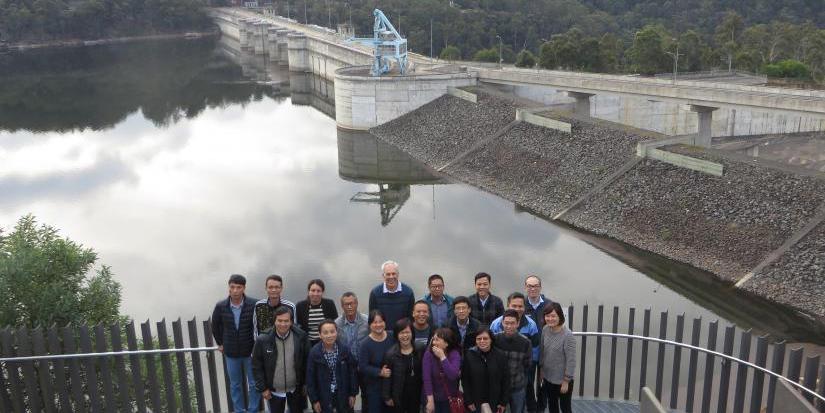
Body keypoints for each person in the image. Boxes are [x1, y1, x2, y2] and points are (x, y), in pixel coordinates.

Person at [211, 274, 261, 413]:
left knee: (254, 384)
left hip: (251, 352)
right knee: (235, 385)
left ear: (244, 288)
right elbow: (215, 326)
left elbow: (260, 326)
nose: (235, 290)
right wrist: (220, 343)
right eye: (232, 287)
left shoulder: (254, 304)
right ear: (229, 287)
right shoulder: (221, 306)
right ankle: (239, 410)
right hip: (231, 353)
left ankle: (253, 410)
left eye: (238, 287)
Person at [251, 306, 311, 413]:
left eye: (286, 321)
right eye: (280, 320)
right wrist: (263, 388)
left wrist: (306, 383)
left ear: (291, 322)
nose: (283, 324)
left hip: (295, 389)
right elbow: (256, 366)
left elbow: (307, 362)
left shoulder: (301, 337)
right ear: (274, 321)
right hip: (274, 391)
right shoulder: (263, 339)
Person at [307, 319, 359, 413]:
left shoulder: (344, 350)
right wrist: (314, 400)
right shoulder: (314, 353)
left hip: (343, 394)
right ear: (320, 335)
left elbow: (352, 373)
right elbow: (310, 379)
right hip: (323, 395)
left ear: (337, 332)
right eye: (325, 332)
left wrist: (353, 394)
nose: (329, 335)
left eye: (332, 331)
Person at [335, 292, 370, 413]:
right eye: (346, 304)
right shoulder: (337, 324)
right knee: (347, 398)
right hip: (347, 367)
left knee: (367, 396)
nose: (349, 307)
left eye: (352, 303)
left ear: (357, 304)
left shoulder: (367, 321)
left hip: (364, 365)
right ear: (342, 306)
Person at [461, 327, 509, 413]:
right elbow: (465, 380)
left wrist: (503, 402)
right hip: (476, 402)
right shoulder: (469, 355)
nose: (482, 341)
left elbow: (505, 380)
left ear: (491, 340)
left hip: (495, 401)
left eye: (485, 338)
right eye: (479, 339)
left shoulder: (500, 356)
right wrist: (468, 400)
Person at [382, 318, 425, 413]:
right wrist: (387, 396)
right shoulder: (390, 354)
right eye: (401, 333)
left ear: (412, 333)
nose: (405, 335)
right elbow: (387, 377)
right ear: (397, 335)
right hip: (399, 394)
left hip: (417, 393)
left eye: (407, 332)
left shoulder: (420, 348)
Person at [540, 303, 575, 413]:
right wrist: (541, 371)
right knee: (552, 405)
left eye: (553, 316)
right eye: (547, 316)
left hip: (562, 380)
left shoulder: (568, 335)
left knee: (565, 408)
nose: (550, 319)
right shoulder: (545, 329)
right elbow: (543, 351)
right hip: (548, 377)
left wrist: (566, 381)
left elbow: (571, 360)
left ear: (560, 316)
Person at [524, 275, 552, 413]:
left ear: (540, 287)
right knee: (527, 382)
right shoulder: (520, 305)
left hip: (545, 352)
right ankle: (530, 408)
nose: (532, 288)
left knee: (543, 384)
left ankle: (541, 408)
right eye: (529, 286)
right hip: (527, 353)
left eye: (535, 286)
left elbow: (559, 325)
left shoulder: (549, 305)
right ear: (525, 287)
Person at [494, 310, 531, 413]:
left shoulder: (526, 342)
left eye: (512, 323)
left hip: (517, 387)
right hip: (499, 388)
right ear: (502, 323)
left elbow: (527, 365)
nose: (509, 326)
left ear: (518, 323)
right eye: (506, 323)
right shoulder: (495, 339)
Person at [359, 310, 396, 413]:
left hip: (392, 385)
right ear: (370, 325)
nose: (378, 325)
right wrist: (380, 372)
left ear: (385, 322)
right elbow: (363, 366)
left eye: (381, 321)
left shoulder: (392, 336)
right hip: (374, 387)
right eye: (375, 322)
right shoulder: (365, 344)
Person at [369, 260, 415, 332]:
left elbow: (411, 318)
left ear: (398, 274)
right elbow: (372, 318)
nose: (391, 277)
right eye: (388, 274)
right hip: (382, 334)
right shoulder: (375, 293)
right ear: (383, 276)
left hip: (402, 335)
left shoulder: (408, 292)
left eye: (394, 274)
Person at [422, 328, 462, 413]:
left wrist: (443, 357)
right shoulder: (428, 354)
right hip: (433, 397)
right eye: (433, 339)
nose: (434, 343)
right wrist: (430, 401)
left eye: (437, 340)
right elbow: (427, 379)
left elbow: (453, 375)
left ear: (446, 343)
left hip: (450, 398)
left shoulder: (455, 354)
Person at [296, 279, 339, 347]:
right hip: (308, 343)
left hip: (327, 342)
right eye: (313, 290)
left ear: (322, 292)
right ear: (308, 291)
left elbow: (335, 323)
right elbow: (299, 327)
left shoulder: (329, 304)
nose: (315, 294)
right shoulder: (300, 306)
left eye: (318, 291)